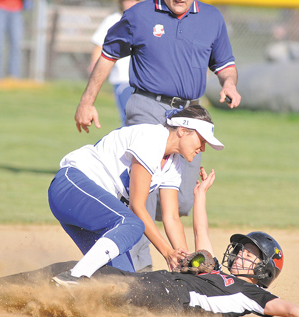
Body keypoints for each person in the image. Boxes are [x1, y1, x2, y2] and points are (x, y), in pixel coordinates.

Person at [0, 168, 299, 317]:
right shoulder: (214, 269)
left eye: (252, 255)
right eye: (242, 249)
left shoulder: (255, 296)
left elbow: (297, 312)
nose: (242, 255)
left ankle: (20, 299)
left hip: (155, 300)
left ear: (265, 271)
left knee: (82, 289)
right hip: (143, 280)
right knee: (71, 269)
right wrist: (202, 192)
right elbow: (202, 232)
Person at [74, 0, 241, 272]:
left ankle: (181, 262)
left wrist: (229, 83)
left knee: (180, 201)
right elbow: (108, 55)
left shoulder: (211, 19)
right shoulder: (139, 15)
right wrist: (87, 100)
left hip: (191, 113)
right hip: (148, 106)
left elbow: (225, 65)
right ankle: (139, 268)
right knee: (143, 193)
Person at [48, 105, 225, 283]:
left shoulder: (174, 163)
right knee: (132, 224)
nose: (202, 148)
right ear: (183, 130)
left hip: (96, 213)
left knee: (125, 283)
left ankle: (39, 287)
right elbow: (136, 207)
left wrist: (185, 263)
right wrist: (167, 252)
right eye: (201, 140)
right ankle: (74, 277)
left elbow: (171, 217)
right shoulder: (153, 138)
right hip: (71, 187)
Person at [89, 0, 146, 125]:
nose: (131, 3)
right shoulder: (113, 20)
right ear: (120, 1)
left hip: (145, 80)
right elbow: (99, 46)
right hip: (123, 79)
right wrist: (94, 69)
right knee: (129, 118)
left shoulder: (148, 20)